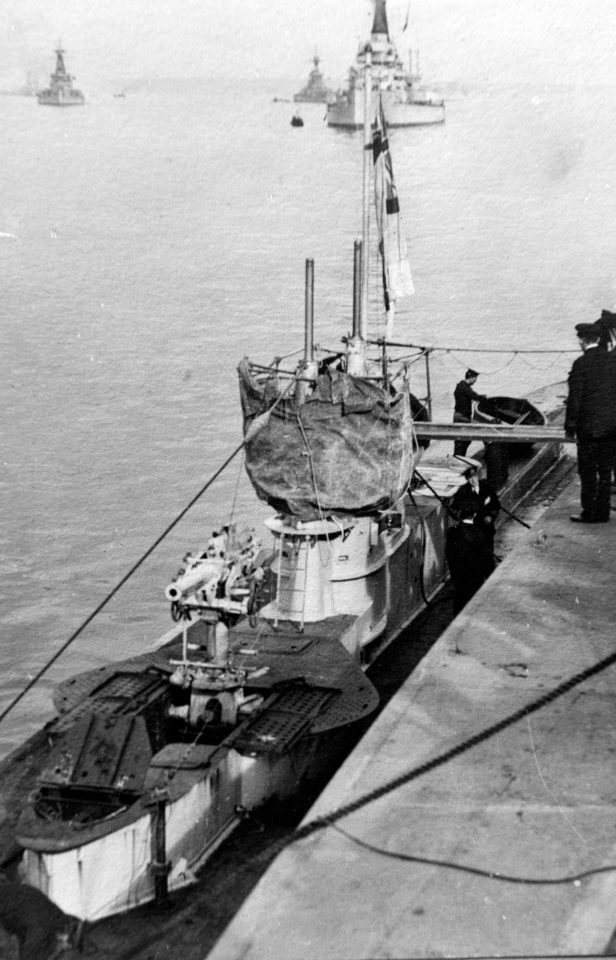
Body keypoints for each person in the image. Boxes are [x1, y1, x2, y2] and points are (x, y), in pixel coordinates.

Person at [565, 321, 616, 523]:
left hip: (589, 430)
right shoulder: (611, 360)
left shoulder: (580, 364)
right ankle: (603, 512)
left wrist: (570, 426)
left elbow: (575, 399)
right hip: (612, 429)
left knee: (587, 472)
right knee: (605, 472)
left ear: (582, 341)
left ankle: (589, 512)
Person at [445, 503, 496, 615]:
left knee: (459, 604)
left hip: (458, 578)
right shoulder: (479, 534)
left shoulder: (452, 532)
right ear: (475, 514)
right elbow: (486, 560)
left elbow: (449, 554)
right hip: (475, 580)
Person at [451, 456, 501, 552]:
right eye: (470, 478)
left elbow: (496, 506)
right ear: (467, 479)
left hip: (486, 527)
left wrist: (491, 517)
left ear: (477, 475)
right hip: (471, 529)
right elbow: (456, 507)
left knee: (488, 552)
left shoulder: (487, 488)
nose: (473, 480)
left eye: (474, 476)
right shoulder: (463, 491)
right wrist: (480, 504)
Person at [452, 369, 486, 457]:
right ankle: (458, 459)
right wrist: (484, 397)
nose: (475, 381)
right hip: (461, 418)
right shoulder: (464, 387)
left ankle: (458, 458)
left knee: (463, 441)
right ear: (471, 377)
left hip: (461, 417)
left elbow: (473, 395)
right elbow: (475, 396)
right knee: (462, 442)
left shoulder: (463, 386)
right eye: (475, 379)